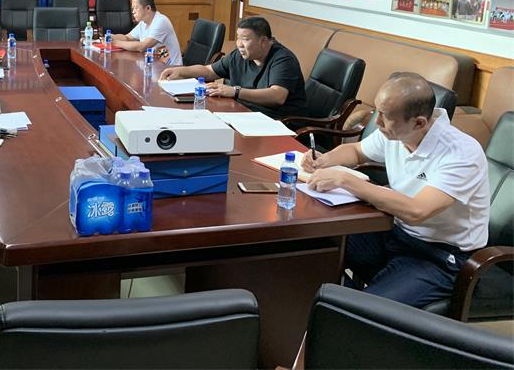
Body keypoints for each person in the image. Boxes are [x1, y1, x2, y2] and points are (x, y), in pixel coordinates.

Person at [301, 72, 489, 308]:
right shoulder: (397, 132)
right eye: (378, 111)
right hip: (392, 231)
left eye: (385, 116)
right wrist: (324, 160)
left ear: (419, 122)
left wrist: (346, 180)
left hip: (437, 256)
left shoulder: (461, 153)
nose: (377, 122)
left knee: (362, 311)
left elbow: (417, 211)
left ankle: (348, 310)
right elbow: (357, 151)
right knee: (311, 248)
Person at [159, 16, 307, 119]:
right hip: (243, 113)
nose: (239, 44)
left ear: (263, 41)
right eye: (238, 38)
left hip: (275, 121)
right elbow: (209, 71)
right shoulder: (239, 55)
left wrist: (235, 91)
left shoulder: (283, 59)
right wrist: (180, 71)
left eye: (245, 39)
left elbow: (277, 96)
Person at [110, 0, 182, 66]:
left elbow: (143, 46)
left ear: (148, 8)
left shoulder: (161, 21)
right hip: (154, 65)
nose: (133, 12)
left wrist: (115, 43)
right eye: (132, 9)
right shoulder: (143, 23)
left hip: (171, 68)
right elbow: (127, 37)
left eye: (136, 8)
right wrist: (110, 37)